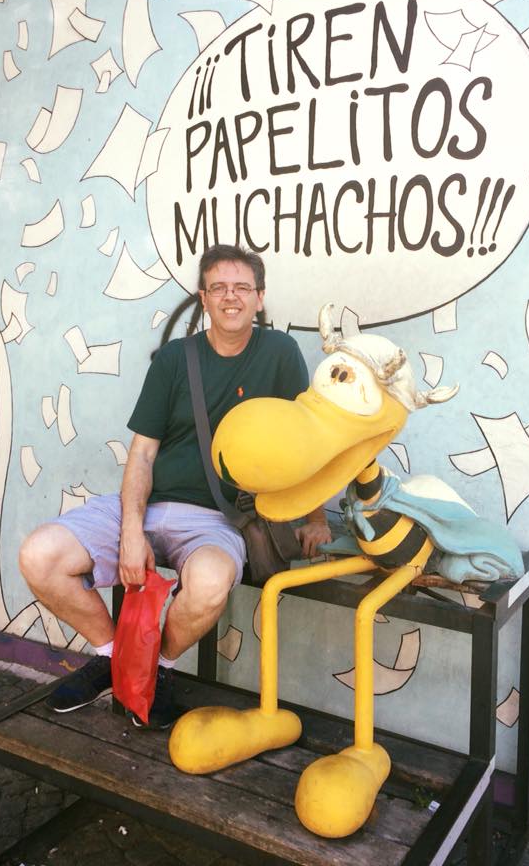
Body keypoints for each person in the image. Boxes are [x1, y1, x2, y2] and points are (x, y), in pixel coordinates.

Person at [19, 245, 331, 729]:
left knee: (209, 583)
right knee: (39, 556)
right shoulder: (173, 359)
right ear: (203, 298)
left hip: (217, 520)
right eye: (218, 288)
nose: (231, 297)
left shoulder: (280, 354)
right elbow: (143, 453)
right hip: (145, 506)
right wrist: (131, 530)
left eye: (242, 287)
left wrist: (316, 518)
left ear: (260, 298)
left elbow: (306, 442)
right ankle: (112, 657)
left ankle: (154, 668)